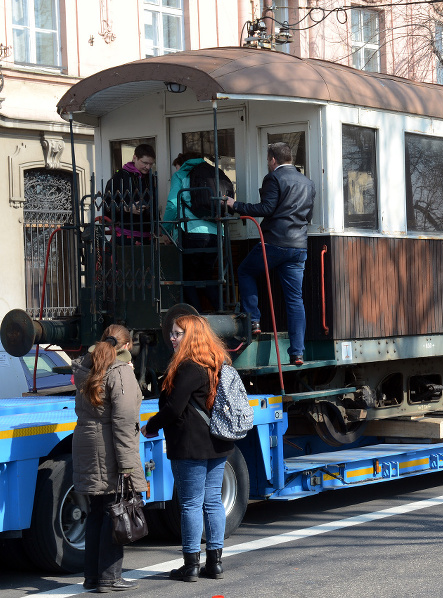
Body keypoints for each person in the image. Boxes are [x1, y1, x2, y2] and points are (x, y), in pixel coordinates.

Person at [141, 315, 233, 582]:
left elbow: (174, 408)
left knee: (192, 503)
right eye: (172, 333)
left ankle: (190, 564)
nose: (172, 337)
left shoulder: (188, 367)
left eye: (178, 333)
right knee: (213, 500)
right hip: (218, 442)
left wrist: (151, 425)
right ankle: (215, 563)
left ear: (191, 336)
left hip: (191, 445)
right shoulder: (217, 362)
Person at [225, 142, 314, 366]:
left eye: (267, 159)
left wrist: (235, 205)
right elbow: (308, 216)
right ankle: (297, 353)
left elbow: (266, 209)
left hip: (275, 242)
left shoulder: (273, 178)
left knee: (245, 271)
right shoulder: (308, 182)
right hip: (299, 246)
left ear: (273, 159)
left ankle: (254, 320)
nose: (267, 163)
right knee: (295, 299)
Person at [72, 325, 145, 593]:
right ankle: (109, 577)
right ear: (126, 346)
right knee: (117, 513)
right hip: (110, 450)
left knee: (97, 514)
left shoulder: (86, 367)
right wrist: (128, 466)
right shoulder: (121, 371)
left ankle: (92, 578)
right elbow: (124, 424)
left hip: (86, 444)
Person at [162, 153, 227, 311]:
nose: (176, 171)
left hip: (192, 232)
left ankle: (195, 320)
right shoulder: (215, 172)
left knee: (187, 279)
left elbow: (172, 204)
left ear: (183, 164)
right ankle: (222, 311)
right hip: (217, 234)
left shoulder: (182, 174)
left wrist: (165, 229)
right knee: (206, 277)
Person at [105, 144, 156, 244]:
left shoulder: (151, 178)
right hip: (125, 235)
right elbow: (107, 207)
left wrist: (156, 224)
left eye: (151, 164)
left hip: (147, 234)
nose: (148, 167)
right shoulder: (119, 177)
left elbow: (154, 203)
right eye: (145, 163)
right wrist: (126, 208)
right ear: (135, 158)